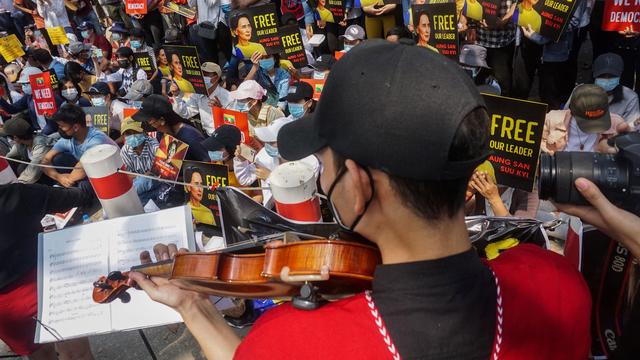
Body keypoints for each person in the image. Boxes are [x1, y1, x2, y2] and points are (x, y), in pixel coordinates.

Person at [130, 41, 591, 359]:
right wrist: (192, 302)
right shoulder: (555, 284)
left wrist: (194, 308)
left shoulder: (292, 342)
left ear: (359, 184)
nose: (323, 176)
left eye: (325, 164)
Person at [0, 182, 95, 359]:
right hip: (44, 288)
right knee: (77, 354)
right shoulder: (17, 193)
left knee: (41, 356)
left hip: (5, 312)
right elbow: (77, 197)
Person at [234, 116, 319, 207]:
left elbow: (301, 193)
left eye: (271, 142)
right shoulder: (264, 156)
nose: (267, 146)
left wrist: (271, 178)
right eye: (266, 141)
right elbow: (245, 179)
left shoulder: (309, 162)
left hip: (300, 211)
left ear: (287, 142)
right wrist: (241, 161)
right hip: (272, 209)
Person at [41, 103, 117, 188]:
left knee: (84, 185)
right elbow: (45, 160)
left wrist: (66, 180)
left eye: (62, 126)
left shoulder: (96, 140)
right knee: (58, 159)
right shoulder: (69, 138)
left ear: (76, 127)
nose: (60, 129)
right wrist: (59, 177)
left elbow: (81, 169)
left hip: (111, 175)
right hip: (89, 170)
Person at [542, 84, 627, 154]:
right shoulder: (551, 120)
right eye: (588, 121)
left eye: (598, 119)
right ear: (573, 112)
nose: (594, 126)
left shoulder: (617, 125)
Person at [132, 94, 210, 161]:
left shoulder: (190, 136)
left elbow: (208, 163)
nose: (146, 124)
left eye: (148, 121)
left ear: (162, 120)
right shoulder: (160, 134)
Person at [172, 62, 231, 136]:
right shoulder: (197, 94)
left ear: (216, 78)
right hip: (207, 135)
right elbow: (185, 113)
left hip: (224, 135)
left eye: (206, 74)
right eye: (201, 74)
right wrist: (177, 96)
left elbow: (233, 123)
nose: (202, 77)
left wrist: (220, 111)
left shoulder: (228, 97)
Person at [465, 161, 539, 218]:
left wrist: (494, 199)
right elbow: (455, 214)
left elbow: (520, 230)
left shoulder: (529, 190)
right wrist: (468, 191)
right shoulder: (480, 176)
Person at [0, 113, 56, 184]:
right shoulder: (21, 144)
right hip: (40, 174)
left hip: (52, 175)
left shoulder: (41, 145)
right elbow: (8, 158)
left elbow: (33, 171)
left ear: (15, 137)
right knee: (21, 167)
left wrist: (16, 186)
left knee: (22, 168)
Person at [475, 0, 516, 96]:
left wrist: (502, 22)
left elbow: (516, 4)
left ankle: (503, 107)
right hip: (480, 39)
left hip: (502, 40)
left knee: (503, 82)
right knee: (478, 81)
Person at [119, 117, 163, 204]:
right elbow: (127, 175)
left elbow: (159, 174)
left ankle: (125, 198)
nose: (132, 136)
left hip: (157, 184)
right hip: (139, 186)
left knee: (145, 181)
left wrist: (144, 177)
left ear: (143, 132)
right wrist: (142, 175)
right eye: (128, 133)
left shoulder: (154, 147)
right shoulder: (125, 150)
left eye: (135, 132)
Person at [591, 53, 640, 126]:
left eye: (611, 76)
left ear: (619, 76)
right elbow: (568, 116)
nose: (606, 80)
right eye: (602, 76)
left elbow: (632, 127)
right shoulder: (580, 92)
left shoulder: (630, 98)